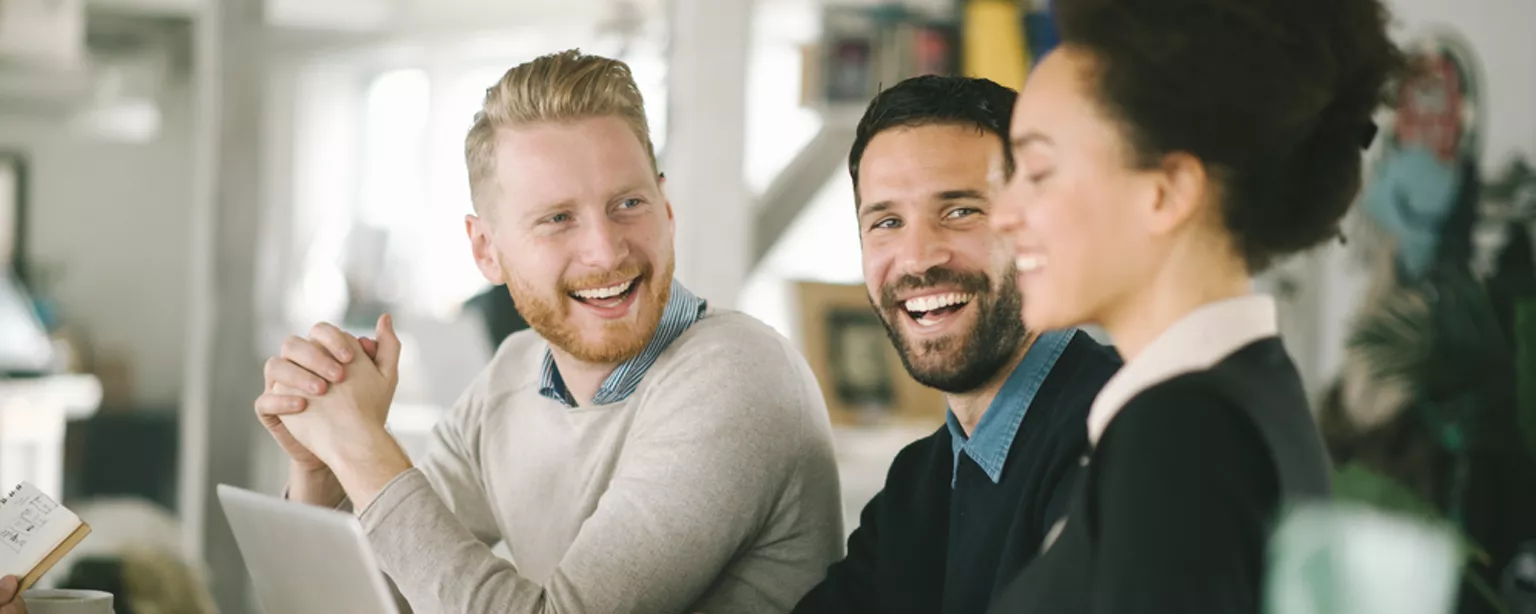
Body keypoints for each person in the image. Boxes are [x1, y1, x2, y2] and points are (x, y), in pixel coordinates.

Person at [253, 49, 844, 613]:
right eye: (558, 218)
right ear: (487, 249)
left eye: (628, 204)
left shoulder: (738, 377)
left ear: (665, 209)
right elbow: (385, 596)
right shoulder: (514, 371)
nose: (605, 250)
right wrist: (323, 476)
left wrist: (362, 447)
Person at [985, 0, 1407, 610]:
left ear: (1167, 192)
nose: (1003, 214)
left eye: (1040, 171)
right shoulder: (1246, 394)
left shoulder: (1179, 436)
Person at [792, 75, 1119, 614]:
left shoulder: (1120, 432)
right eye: (887, 221)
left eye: (960, 211)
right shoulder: (917, 485)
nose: (918, 258)